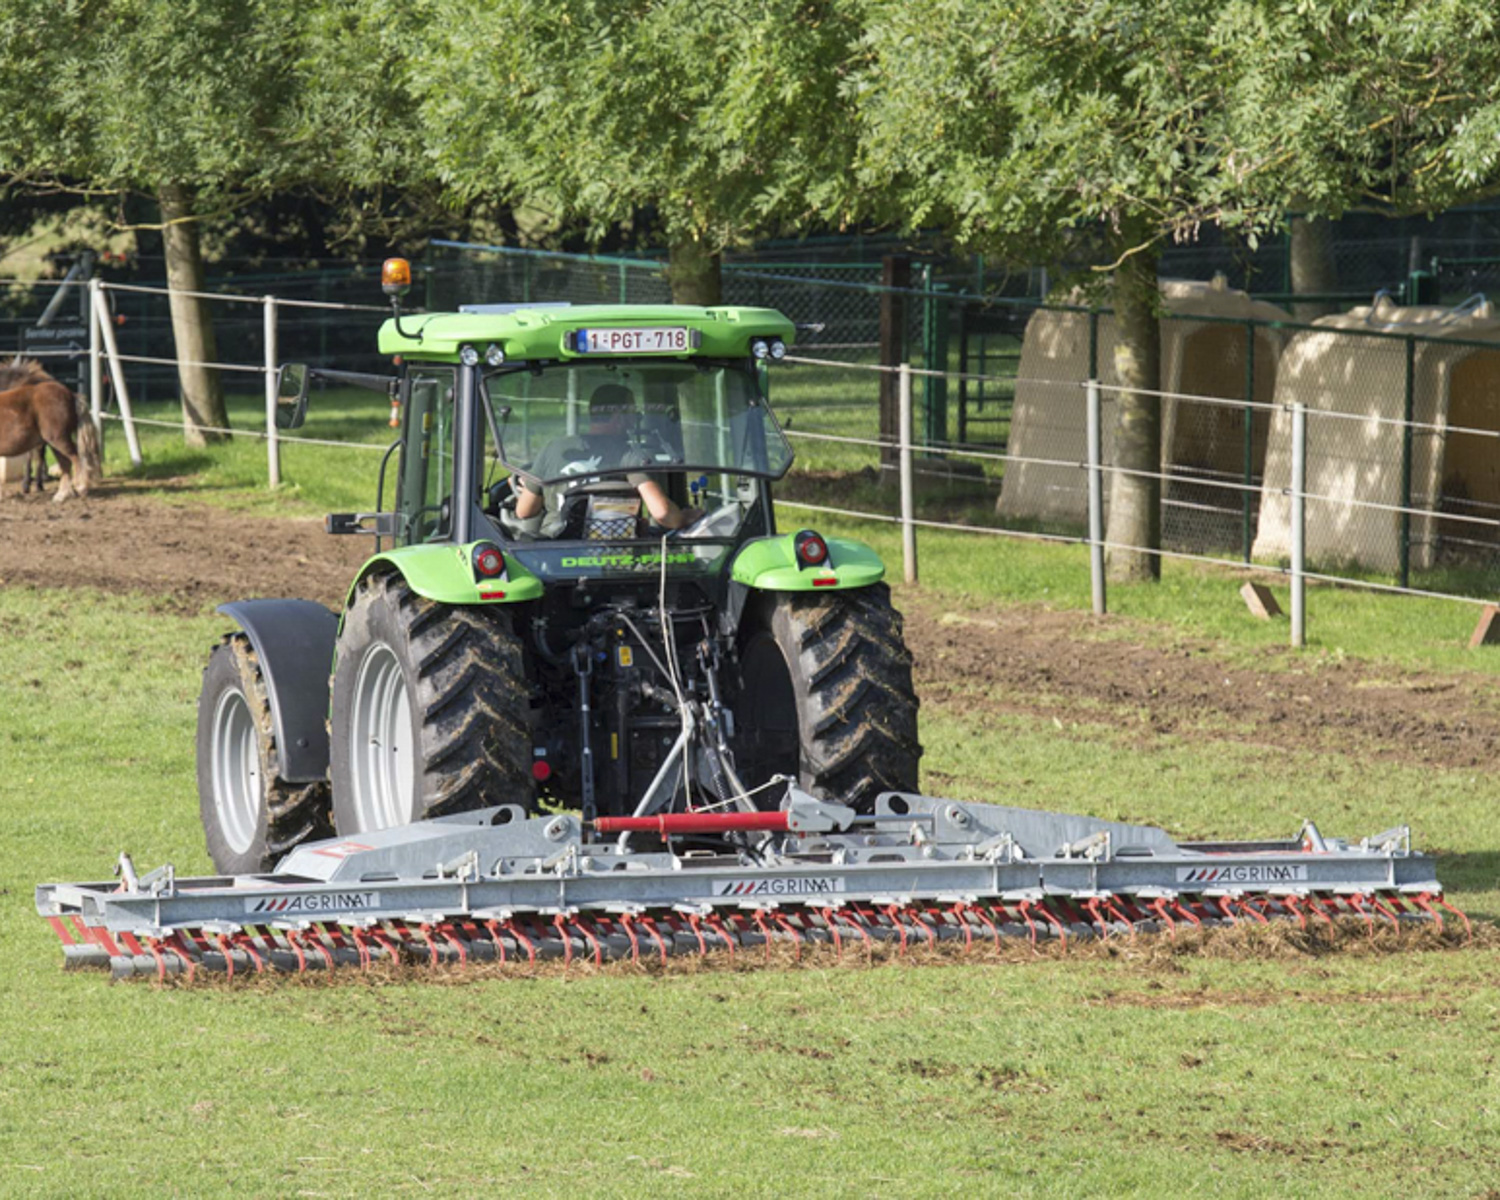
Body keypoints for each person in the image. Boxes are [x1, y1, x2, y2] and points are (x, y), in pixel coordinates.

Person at [512, 383, 700, 534]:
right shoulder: (629, 454)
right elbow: (662, 512)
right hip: (615, 555)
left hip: (556, 550)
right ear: (620, 416)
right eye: (633, 413)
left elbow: (524, 511)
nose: (636, 418)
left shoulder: (553, 449)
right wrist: (683, 518)